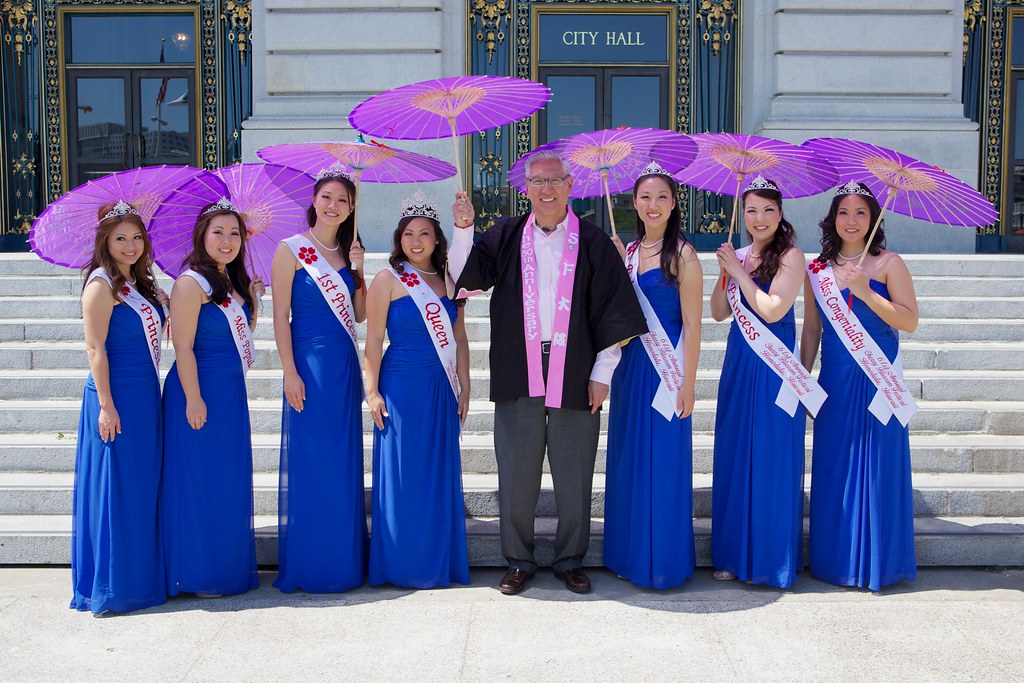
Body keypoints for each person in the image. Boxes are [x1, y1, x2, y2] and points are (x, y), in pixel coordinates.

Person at [449, 150, 647, 595]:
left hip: (577, 366)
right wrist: (464, 228)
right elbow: (463, 279)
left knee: (574, 470)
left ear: (570, 186)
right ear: (526, 189)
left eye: (554, 180)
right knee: (516, 470)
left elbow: (615, 311)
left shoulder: (594, 241)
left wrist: (602, 371)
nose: (546, 189)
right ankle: (518, 559)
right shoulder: (505, 235)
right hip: (520, 365)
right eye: (537, 182)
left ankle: (570, 559)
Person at [801, 181, 919, 591]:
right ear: (832, 219)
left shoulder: (889, 264)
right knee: (835, 469)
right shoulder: (816, 270)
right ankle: (836, 562)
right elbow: (813, 329)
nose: (851, 221)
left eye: (861, 213)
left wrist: (866, 293)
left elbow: (909, 321)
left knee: (876, 470)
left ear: (874, 219)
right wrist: (803, 377)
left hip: (877, 382)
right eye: (844, 213)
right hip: (835, 379)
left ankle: (876, 563)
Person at [709, 175, 825, 589]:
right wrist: (725, 273)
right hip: (740, 364)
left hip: (775, 367)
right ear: (743, 213)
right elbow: (720, 312)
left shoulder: (792, 256)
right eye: (752, 210)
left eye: (768, 210)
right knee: (736, 453)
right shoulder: (737, 254)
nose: (759, 218)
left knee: (772, 458)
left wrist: (740, 273)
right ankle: (732, 554)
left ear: (780, 214)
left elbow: (774, 310)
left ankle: (771, 560)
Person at [603, 162, 703, 589]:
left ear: (674, 202)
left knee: (662, 463)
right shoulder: (626, 253)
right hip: (631, 371)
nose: (653, 205)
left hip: (668, 372)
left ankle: (661, 560)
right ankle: (628, 555)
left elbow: (695, 325)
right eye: (645, 197)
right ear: (634, 203)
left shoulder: (683, 254)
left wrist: (689, 384)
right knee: (630, 458)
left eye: (662, 196)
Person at [364, 190, 471, 588]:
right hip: (400, 387)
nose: (416, 241)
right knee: (404, 473)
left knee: (436, 472)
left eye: (424, 233)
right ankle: (401, 562)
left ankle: (434, 559)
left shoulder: (449, 280)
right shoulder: (386, 280)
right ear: (399, 239)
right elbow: (373, 341)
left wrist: (466, 385)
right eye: (409, 233)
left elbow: (458, 338)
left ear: (437, 239)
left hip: (440, 386)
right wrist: (372, 392)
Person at [161, 198, 265, 598]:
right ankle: (198, 572)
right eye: (218, 232)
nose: (227, 240)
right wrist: (193, 398)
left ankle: (224, 567)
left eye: (234, 233)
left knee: (225, 478)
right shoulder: (191, 283)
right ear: (202, 236)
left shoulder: (230, 283)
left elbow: (238, 338)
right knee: (199, 480)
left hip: (229, 392)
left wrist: (253, 302)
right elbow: (183, 347)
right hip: (198, 391)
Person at [271, 169, 368, 593]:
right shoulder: (290, 250)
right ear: (315, 199)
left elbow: (361, 315)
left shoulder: (350, 253)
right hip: (307, 367)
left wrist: (361, 273)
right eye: (327, 197)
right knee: (312, 462)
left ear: (351, 208)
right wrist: (290, 372)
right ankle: (313, 563)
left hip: (343, 367)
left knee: (340, 461)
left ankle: (342, 563)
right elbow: (279, 317)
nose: (334, 205)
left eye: (343, 200)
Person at [71, 201, 168, 615]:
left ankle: (139, 577)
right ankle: (113, 585)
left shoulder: (141, 285)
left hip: (146, 394)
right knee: (117, 487)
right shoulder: (100, 285)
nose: (130, 246)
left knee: (142, 486)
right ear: (104, 242)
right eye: (120, 239)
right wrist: (107, 407)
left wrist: (160, 300)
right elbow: (95, 348)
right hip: (115, 395)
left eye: (136, 237)